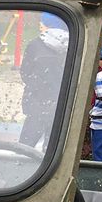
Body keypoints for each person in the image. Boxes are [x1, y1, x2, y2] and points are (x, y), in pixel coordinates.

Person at [19, 13, 68, 149]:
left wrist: (36, 86)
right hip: (61, 101)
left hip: (37, 99)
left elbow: (25, 72)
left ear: (47, 24)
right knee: (52, 148)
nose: (39, 25)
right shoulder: (73, 42)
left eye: (42, 22)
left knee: (25, 147)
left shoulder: (35, 44)